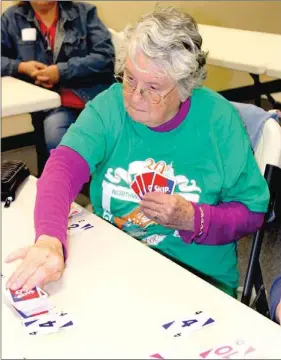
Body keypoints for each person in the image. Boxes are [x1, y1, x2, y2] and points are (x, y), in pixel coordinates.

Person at [5, 7, 269, 298]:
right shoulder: (110, 106)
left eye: (153, 88)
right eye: (130, 79)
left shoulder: (218, 120)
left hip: (195, 279)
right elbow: (62, 168)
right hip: (115, 263)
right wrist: (49, 239)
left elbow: (252, 212)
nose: (134, 97)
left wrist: (195, 218)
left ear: (185, 88)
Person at [1, 0, 115, 175]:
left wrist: (61, 71)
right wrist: (22, 67)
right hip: (54, 107)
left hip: (93, 98)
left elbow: (105, 57)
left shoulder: (85, 13)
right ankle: (68, 190)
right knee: (59, 142)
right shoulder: (12, 19)